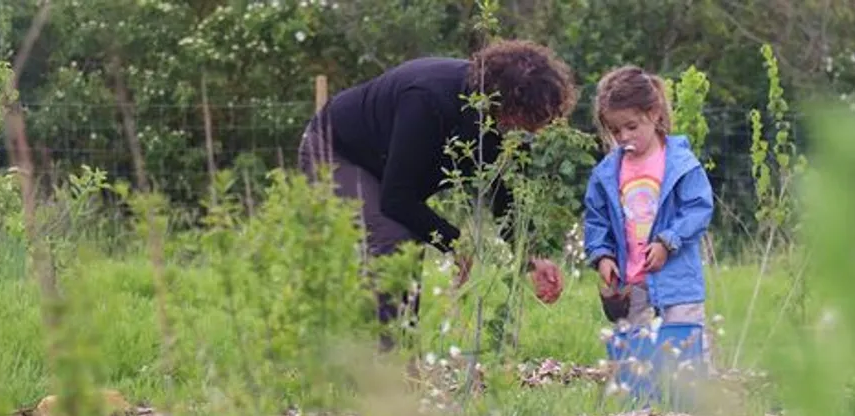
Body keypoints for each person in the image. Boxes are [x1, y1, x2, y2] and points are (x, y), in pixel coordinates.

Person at [296, 39, 578, 351]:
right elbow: (398, 198)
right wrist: (456, 244)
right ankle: (389, 368)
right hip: (334, 150)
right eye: (527, 120)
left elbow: (500, 191)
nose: (529, 131)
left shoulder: (501, 126)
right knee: (396, 236)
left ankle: (397, 360)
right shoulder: (428, 99)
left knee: (406, 235)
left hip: (384, 166)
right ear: (507, 101)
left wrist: (532, 255)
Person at [581, 65, 715, 363]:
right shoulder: (606, 173)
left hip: (677, 280)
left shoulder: (680, 164)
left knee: (685, 354)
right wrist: (602, 255)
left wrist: (668, 241)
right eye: (615, 131)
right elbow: (596, 219)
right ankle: (644, 408)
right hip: (631, 284)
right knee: (638, 360)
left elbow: (698, 208)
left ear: (654, 114)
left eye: (631, 127)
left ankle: (690, 408)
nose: (623, 137)